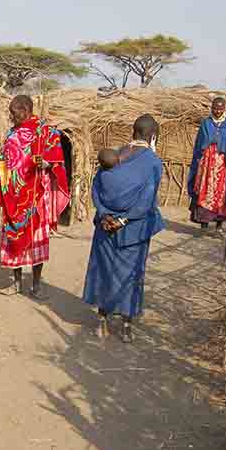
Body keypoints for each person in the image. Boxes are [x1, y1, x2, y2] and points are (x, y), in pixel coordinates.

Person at [0, 95, 69, 299]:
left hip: (35, 198)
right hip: (13, 198)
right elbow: (5, 160)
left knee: (36, 242)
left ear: (25, 110)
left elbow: (57, 160)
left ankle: (36, 286)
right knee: (13, 240)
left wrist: (47, 164)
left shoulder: (46, 132)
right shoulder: (12, 133)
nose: (10, 116)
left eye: (13, 112)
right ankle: (16, 283)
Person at [82, 114, 166, 343]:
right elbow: (148, 198)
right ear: (153, 136)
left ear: (133, 132)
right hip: (133, 230)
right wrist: (124, 220)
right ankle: (127, 327)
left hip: (105, 226)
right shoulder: (152, 162)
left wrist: (104, 214)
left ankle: (102, 322)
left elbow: (96, 189)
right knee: (131, 274)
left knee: (104, 270)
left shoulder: (112, 155)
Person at [188, 96, 226, 233]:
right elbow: (199, 144)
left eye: (220, 109)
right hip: (206, 166)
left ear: (224, 109)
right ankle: (204, 223)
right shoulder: (206, 123)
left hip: (222, 165)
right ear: (211, 108)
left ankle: (219, 225)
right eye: (215, 108)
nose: (217, 111)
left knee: (221, 192)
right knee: (204, 191)